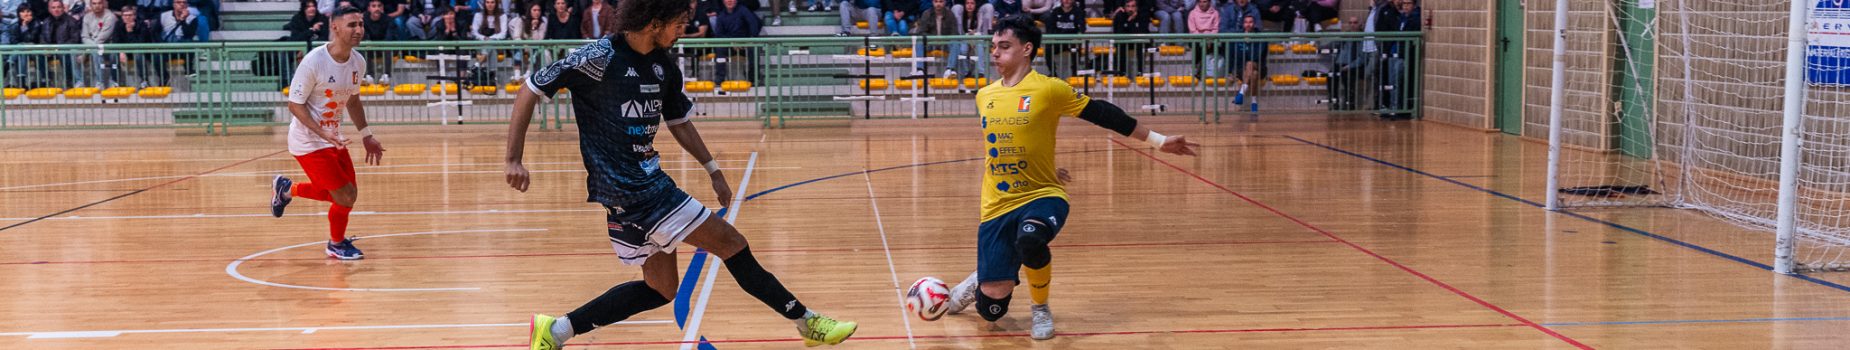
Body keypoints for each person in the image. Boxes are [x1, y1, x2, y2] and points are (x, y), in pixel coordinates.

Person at [502, 0, 860, 348]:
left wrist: (713, 170)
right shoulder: (598, 56)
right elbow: (530, 89)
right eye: (678, 24)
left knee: (661, 289)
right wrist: (513, 158)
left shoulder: (663, 66)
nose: (683, 32)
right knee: (732, 244)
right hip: (636, 192)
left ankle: (556, 330)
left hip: (641, 189)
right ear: (654, 20)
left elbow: (679, 122)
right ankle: (807, 321)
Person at [932, 14, 1198, 341]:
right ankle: (981, 280)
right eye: (993, 47)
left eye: (1004, 46)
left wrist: (1158, 141)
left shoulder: (1049, 89)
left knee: (1031, 240)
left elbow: (1102, 113)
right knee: (991, 311)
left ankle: (1040, 308)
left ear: (1027, 49)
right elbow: (1000, 146)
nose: (995, 54)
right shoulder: (984, 95)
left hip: (1043, 195)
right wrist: (1042, 161)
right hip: (996, 205)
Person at [269, 5, 387, 261]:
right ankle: (335, 244)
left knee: (349, 195)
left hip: (334, 138)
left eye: (361, 24)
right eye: (352, 25)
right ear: (335, 27)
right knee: (343, 196)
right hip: (308, 140)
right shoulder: (314, 61)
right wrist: (322, 133)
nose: (358, 30)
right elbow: (294, 104)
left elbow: (353, 101)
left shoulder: (358, 61)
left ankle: (287, 189)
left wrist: (367, 134)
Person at [113, 4, 163, 87]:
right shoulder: (118, 25)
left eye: (130, 15)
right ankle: (115, 81)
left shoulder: (142, 25)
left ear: (134, 16)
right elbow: (115, 41)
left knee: (138, 54)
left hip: (142, 51)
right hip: (126, 51)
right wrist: (121, 51)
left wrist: (130, 32)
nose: (127, 17)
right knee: (113, 56)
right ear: (122, 16)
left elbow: (139, 44)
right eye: (125, 15)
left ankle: (144, 81)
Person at [711, 0, 758, 83]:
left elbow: (754, 26)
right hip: (729, 45)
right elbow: (719, 34)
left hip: (745, 44)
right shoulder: (721, 15)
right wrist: (732, 43)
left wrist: (747, 41)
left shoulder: (744, 11)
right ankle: (720, 77)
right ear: (723, 1)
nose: (729, 1)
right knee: (719, 49)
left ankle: (753, 78)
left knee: (753, 50)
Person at [1108, 0, 1149, 77]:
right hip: (1124, 41)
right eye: (1128, 6)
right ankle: (1121, 73)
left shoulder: (1143, 15)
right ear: (1124, 7)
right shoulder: (1120, 15)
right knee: (1121, 46)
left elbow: (1142, 31)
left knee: (1141, 44)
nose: (1130, 9)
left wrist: (1128, 23)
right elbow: (1119, 33)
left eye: (1133, 6)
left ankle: (1140, 72)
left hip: (1137, 41)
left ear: (1137, 7)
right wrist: (1130, 21)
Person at [1041, 0, 1080, 76]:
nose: (1066, 1)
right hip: (1058, 41)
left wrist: (1079, 35)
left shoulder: (1078, 11)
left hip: (1072, 42)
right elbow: (1051, 27)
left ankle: (1075, 73)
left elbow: (1082, 27)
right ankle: (1053, 73)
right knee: (1048, 49)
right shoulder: (1056, 11)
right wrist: (1053, 38)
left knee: (1076, 49)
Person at [1186, 0, 1217, 77]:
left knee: (1218, 45)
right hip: (1197, 38)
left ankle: (1208, 70)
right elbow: (1192, 30)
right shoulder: (1192, 13)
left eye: (1205, 1)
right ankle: (1196, 68)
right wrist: (1203, 39)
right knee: (1198, 45)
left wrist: (1209, 38)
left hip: (1210, 38)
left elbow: (1215, 29)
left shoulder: (1215, 13)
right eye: (1200, 2)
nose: (1202, 4)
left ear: (1209, 2)